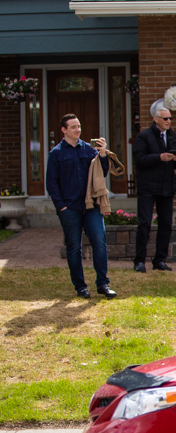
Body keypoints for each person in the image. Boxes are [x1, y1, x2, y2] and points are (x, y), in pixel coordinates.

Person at [46, 114, 116, 300]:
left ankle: (103, 284)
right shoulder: (56, 154)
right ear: (64, 130)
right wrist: (61, 206)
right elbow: (51, 183)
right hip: (69, 208)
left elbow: (103, 173)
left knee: (100, 244)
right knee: (74, 248)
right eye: (73, 127)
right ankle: (80, 287)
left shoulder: (89, 149)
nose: (77, 130)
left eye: (79, 126)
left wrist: (102, 154)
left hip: (91, 206)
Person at [131, 107, 176, 272]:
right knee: (145, 223)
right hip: (147, 187)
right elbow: (139, 159)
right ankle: (139, 261)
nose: (168, 121)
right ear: (156, 119)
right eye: (165, 118)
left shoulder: (175, 137)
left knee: (166, 224)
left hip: (166, 186)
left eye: (170, 118)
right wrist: (159, 157)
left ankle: (159, 260)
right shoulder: (144, 136)